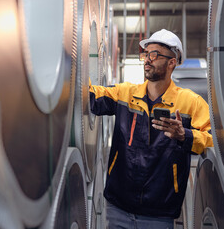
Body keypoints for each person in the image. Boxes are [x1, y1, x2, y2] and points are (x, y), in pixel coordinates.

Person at [89, 29, 213, 228]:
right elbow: (89, 97)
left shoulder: (190, 103)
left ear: (171, 62)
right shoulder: (124, 94)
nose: (147, 59)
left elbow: (213, 139)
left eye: (154, 55)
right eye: (146, 54)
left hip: (159, 213)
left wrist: (185, 135)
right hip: (118, 206)